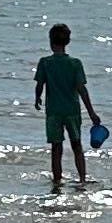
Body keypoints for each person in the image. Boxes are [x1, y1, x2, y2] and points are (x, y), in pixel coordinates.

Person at [33, 20, 93, 192]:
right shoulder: (75, 63)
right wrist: (92, 113)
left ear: (50, 41)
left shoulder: (45, 62)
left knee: (56, 147)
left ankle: (57, 180)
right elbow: (81, 89)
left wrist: (37, 98)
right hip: (72, 110)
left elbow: (40, 85)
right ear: (68, 41)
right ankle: (82, 179)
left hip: (54, 112)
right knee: (77, 145)